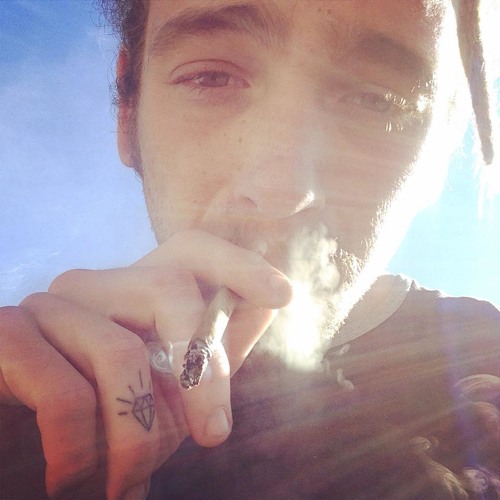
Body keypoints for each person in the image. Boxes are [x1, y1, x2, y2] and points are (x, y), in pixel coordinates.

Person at [1, 0, 499, 499]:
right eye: (210, 77)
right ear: (128, 114)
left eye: (378, 101)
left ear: (442, 152)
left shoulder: (484, 351)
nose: (282, 192)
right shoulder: (45, 399)